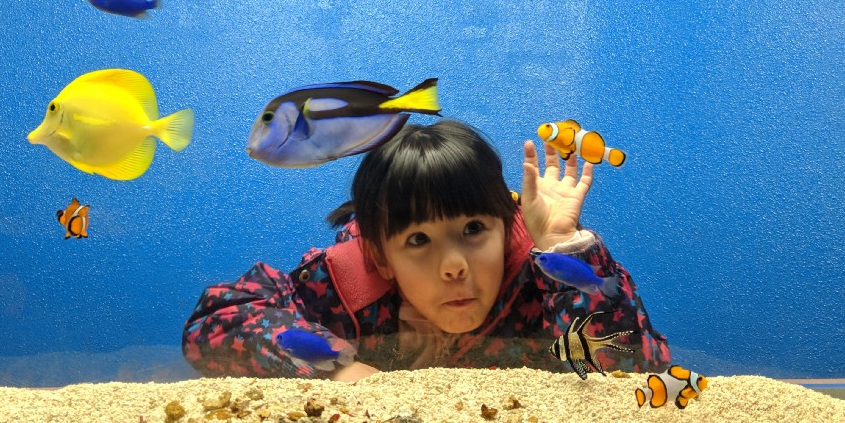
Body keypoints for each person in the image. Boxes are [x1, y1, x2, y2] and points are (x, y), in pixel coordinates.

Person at [182, 119, 670, 381]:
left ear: (506, 229)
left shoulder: (541, 272)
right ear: (381, 255)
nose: (454, 265)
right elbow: (217, 322)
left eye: (474, 229)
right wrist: (335, 366)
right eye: (418, 240)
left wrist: (566, 249)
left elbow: (634, 368)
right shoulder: (350, 280)